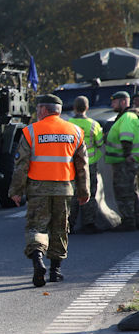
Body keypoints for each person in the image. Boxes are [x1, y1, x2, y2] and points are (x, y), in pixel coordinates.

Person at [8, 94, 89, 287]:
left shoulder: (31, 132)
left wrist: (16, 191)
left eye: (38, 109)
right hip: (64, 189)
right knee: (60, 228)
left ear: (44, 110)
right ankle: (55, 271)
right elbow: (82, 166)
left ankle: (38, 259)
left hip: (38, 189)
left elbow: (21, 165)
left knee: (37, 226)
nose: (37, 113)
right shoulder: (75, 131)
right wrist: (84, 191)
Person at [67, 96, 103, 234]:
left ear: (74, 108)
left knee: (72, 194)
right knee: (89, 193)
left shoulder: (68, 125)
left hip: (71, 165)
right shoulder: (94, 124)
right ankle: (89, 223)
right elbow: (100, 143)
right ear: (87, 108)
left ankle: (70, 224)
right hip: (90, 165)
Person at [104, 91, 139, 231]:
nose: (112, 104)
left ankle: (129, 221)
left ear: (123, 102)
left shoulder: (127, 117)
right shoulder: (124, 117)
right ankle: (134, 219)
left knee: (124, 192)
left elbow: (126, 137)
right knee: (130, 191)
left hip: (124, 162)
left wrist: (127, 155)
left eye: (114, 101)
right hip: (123, 161)